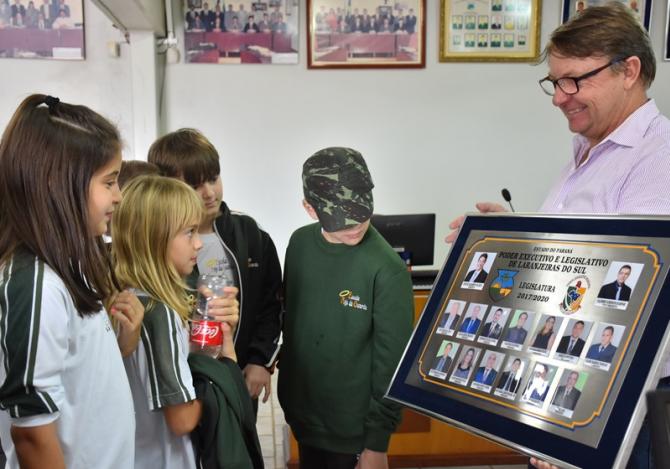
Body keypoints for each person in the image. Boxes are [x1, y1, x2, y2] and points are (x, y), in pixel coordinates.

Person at [446, 5, 670, 464]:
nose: (559, 97)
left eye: (574, 80)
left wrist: (567, 435)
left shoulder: (658, 159)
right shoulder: (586, 152)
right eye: (554, 82)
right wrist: (511, 239)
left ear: (629, 71)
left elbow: (635, 307)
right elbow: (578, 261)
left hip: (623, 407)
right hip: (574, 385)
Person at [0, 94, 144, 468]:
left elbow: (75, 380)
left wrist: (122, 346)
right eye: (109, 182)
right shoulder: (36, 284)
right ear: (56, 183)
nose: (119, 196)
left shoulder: (70, 264)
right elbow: (32, 435)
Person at [278, 147, 414, 469]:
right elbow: (293, 322)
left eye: (361, 213)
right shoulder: (299, 244)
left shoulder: (387, 269)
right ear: (310, 209)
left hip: (353, 430)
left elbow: (392, 364)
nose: (355, 225)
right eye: (341, 218)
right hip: (303, 415)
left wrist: (376, 444)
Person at [148, 128, 282, 412]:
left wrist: (260, 361)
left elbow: (272, 303)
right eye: (195, 185)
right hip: (184, 384)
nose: (209, 193)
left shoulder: (250, 234)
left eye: (213, 179)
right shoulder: (158, 244)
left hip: (238, 374)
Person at [112, 175, 239, 468]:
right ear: (154, 239)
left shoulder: (127, 298)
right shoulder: (161, 313)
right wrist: (226, 364)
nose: (198, 244)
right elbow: (182, 419)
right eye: (189, 232)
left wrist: (207, 337)